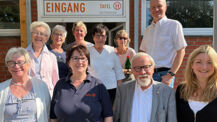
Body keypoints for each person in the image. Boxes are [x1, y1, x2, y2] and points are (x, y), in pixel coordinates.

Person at [50, 44, 113, 122]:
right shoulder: (60, 85)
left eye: (83, 58)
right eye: (75, 58)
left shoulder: (98, 85)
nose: (79, 62)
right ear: (69, 62)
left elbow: (108, 116)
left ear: (88, 62)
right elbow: (53, 117)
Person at [113, 52, 177, 122]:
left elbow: (172, 119)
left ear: (153, 68)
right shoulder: (123, 90)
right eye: (138, 68)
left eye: (146, 67)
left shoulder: (167, 92)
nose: (142, 72)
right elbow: (116, 117)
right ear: (132, 70)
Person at [139, 0, 187, 87]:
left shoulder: (174, 25)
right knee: (149, 100)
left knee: (164, 101)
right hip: (149, 75)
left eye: (159, 6)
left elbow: (181, 51)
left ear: (165, 7)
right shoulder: (148, 30)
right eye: (153, 7)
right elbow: (143, 53)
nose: (156, 9)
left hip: (165, 75)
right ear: (150, 9)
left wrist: (171, 75)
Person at [0, 47, 50, 122]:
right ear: (8, 67)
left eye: (20, 62)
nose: (16, 66)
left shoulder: (41, 86)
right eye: (11, 63)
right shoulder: (1, 89)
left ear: (28, 64)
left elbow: (48, 112)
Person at [176, 45, 217, 122]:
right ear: (192, 65)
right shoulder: (181, 89)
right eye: (199, 62)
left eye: (209, 62)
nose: (204, 67)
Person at [88, 24, 125, 104]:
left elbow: (118, 72)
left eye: (103, 36)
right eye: (97, 36)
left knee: (109, 114)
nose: (100, 39)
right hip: (93, 89)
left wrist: (119, 92)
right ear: (93, 37)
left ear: (106, 37)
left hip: (111, 90)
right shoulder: (88, 52)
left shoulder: (111, 51)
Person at [26, 21, 59, 96]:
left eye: (42, 34)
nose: (38, 36)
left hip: (47, 95)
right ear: (31, 35)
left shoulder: (52, 57)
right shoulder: (23, 54)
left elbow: (55, 80)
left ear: (46, 38)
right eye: (35, 33)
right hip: (28, 94)